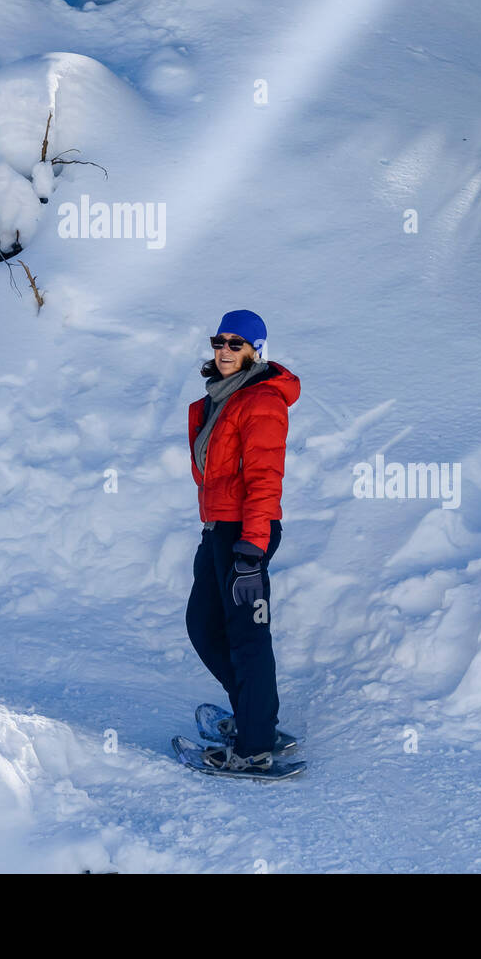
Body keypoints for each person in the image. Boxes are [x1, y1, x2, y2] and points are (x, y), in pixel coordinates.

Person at [185, 310, 300, 774]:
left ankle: (254, 746)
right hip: (220, 528)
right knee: (203, 624)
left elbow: (265, 478)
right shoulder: (221, 399)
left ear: (257, 350)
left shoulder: (261, 401)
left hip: (246, 533)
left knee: (247, 638)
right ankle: (257, 718)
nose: (226, 350)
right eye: (220, 341)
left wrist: (251, 550)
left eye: (237, 343)